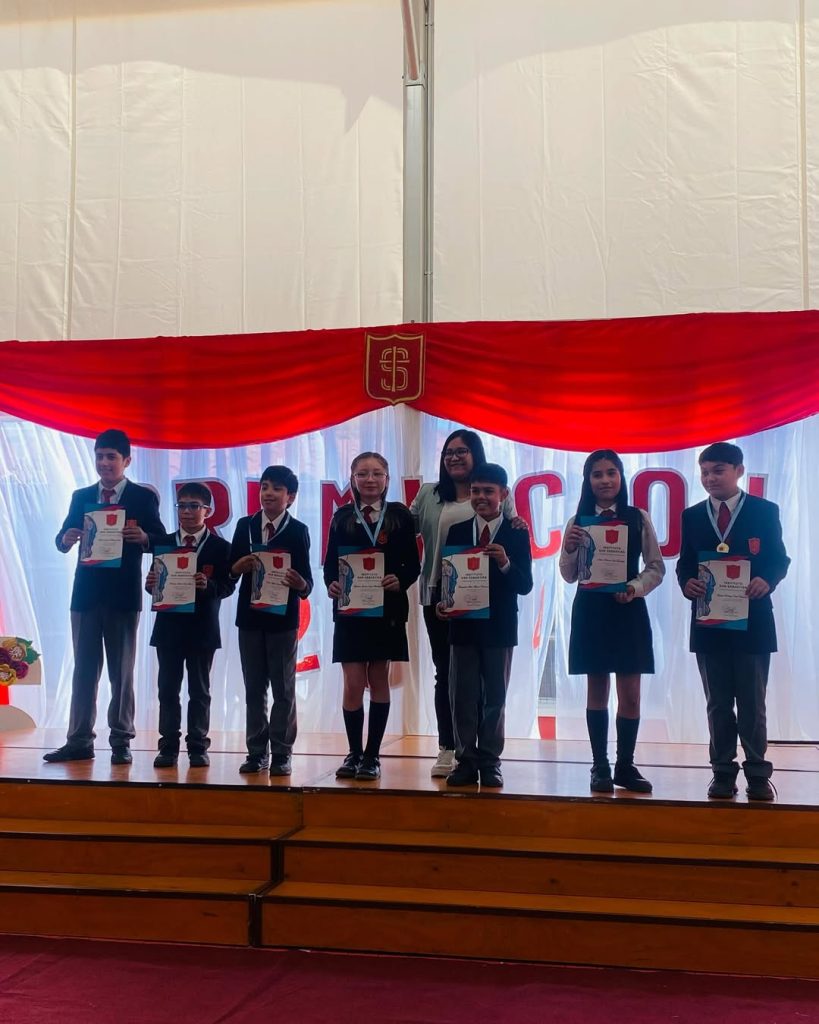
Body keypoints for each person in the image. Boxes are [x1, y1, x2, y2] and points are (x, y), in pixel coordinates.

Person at [676, 442, 790, 801]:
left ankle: (758, 773)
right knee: (718, 702)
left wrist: (766, 580)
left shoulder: (764, 511)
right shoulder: (692, 516)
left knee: (753, 701)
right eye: (704, 472)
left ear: (739, 471)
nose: (710, 478)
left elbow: (779, 559)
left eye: (718, 470)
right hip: (709, 622)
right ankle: (722, 771)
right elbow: (685, 563)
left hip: (753, 622)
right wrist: (687, 583)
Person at [45, 429, 166, 765]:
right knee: (83, 671)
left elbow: (161, 539)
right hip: (85, 596)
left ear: (126, 460)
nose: (104, 463)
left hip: (122, 596)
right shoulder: (81, 496)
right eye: (99, 456)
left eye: (111, 456)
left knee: (121, 673)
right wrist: (66, 539)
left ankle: (121, 740)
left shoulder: (142, 498)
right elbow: (61, 538)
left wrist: (143, 537)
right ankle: (79, 740)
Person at [410, 429, 519, 778]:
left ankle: (486, 757)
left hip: (492, 604)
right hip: (442, 594)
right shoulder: (429, 494)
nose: (454, 457)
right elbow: (402, 530)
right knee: (450, 676)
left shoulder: (498, 494)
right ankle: (450, 749)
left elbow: (512, 532)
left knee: (489, 683)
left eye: (462, 451)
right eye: (449, 452)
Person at [560, 449, 664, 794]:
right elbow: (568, 575)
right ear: (588, 481)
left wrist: (635, 588)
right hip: (592, 610)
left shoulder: (638, 517)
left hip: (628, 609)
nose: (605, 480)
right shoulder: (577, 522)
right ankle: (600, 765)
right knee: (597, 691)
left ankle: (625, 765)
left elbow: (656, 568)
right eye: (597, 474)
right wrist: (570, 548)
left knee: (630, 695)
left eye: (611, 473)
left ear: (621, 477)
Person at [324, 452, 420, 781]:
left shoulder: (400, 515)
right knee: (353, 683)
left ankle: (372, 755)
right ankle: (353, 753)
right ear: (352, 479)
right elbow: (329, 565)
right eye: (362, 473)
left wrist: (400, 579)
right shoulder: (341, 517)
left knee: (379, 678)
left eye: (377, 473)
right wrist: (332, 584)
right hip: (351, 611)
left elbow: (413, 564)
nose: (370, 479)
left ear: (387, 479)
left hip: (387, 610)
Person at [438, 463, 533, 789]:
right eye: (475, 491)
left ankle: (490, 761)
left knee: (495, 696)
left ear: (503, 494)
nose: (481, 497)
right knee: (462, 695)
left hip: (499, 627)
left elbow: (525, 585)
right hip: (463, 626)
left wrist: (505, 562)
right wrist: (444, 603)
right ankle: (465, 760)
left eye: (488, 491)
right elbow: (448, 578)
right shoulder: (457, 531)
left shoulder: (517, 532)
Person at [229, 466, 312, 776]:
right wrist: (237, 567)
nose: (268, 493)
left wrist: (300, 583)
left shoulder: (298, 530)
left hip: (282, 621)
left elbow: (307, 583)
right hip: (250, 619)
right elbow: (228, 573)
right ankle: (255, 752)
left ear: (291, 497)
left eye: (277, 488)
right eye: (264, 486)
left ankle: (281, 752)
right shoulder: (245, 526)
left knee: (283, 688)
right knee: (253, 688)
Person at [145, 483, 235, 768]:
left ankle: (197, 746)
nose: (186, 511)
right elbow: (154, 583)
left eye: (194, 506)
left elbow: (228, 586)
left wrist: (208, 585)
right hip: (168, 627)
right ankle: (168, 747)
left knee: (199, 691)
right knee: (167, 689)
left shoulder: (221, 548)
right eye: (182, 505)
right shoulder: (164, 543)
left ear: (207, 510)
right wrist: (150, 584)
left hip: (202, 628)